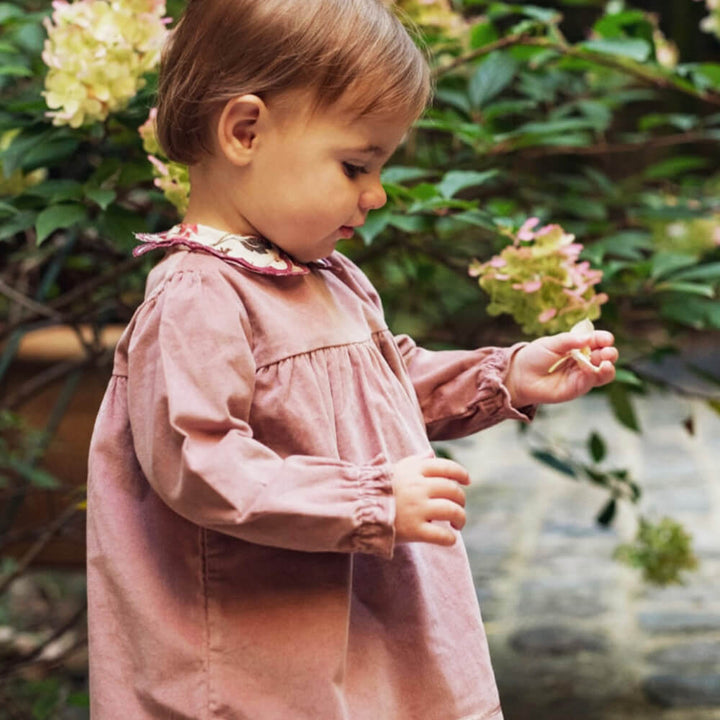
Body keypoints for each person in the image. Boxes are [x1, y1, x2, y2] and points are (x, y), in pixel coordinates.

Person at [86, 0, 618, 718]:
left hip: (361, 636)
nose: (377, 194)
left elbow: (376, 385)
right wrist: (368, 501)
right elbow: (199, 461)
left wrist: (504, 374)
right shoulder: (198, 297)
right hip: (266, 659)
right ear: (245, 131)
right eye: (356, 164)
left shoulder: (322, 274)